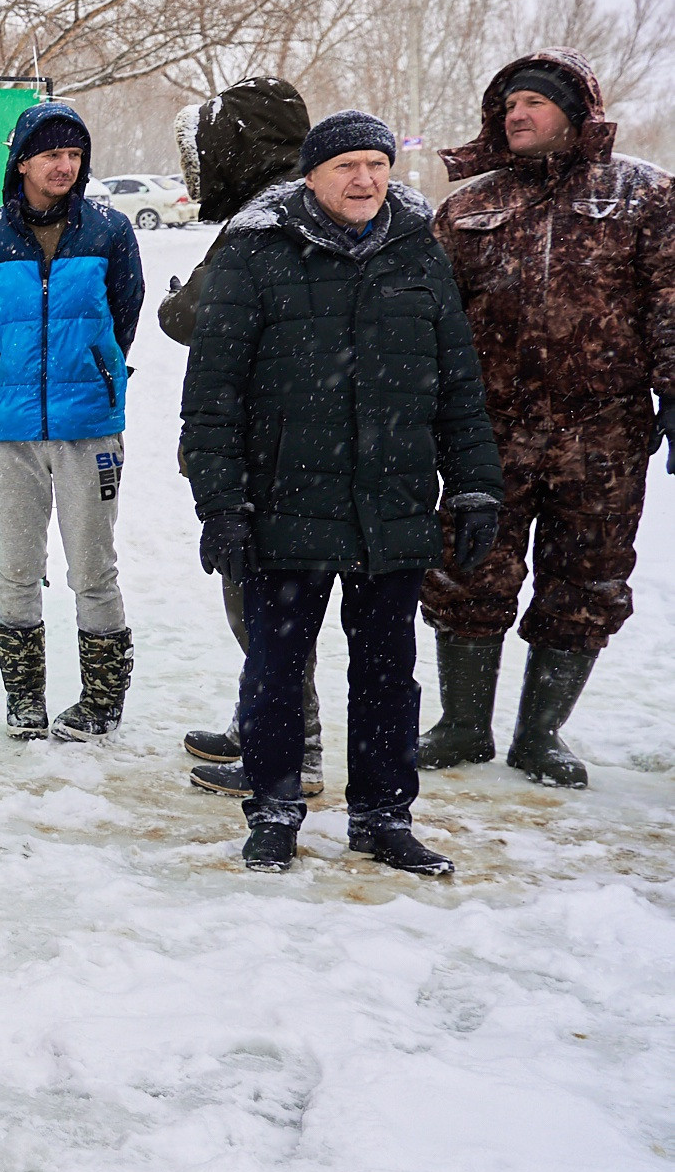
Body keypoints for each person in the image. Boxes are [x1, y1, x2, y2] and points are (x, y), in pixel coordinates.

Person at [182, 111, 504, 875]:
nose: (365, 179)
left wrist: (474, 486)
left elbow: (458, 382)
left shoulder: (417, 251)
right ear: (311, 175)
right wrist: (221, 503)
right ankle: (273, 811)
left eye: (376, 164)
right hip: (286, 502)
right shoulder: (257, 251)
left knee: (388, 675)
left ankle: (383, 816)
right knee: (275, 671)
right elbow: (213, 395)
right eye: (346, 166)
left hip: (390, 506)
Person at [417, 51, 675, 788]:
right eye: (507, 106)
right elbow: (429, 318)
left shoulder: (647, 195)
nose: (517, 115)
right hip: (487, 432)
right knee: (467, 570)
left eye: (533, 102)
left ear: (575, 111)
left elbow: (670, 299)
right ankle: (463, 725)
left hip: (603, 433)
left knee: (588, 581)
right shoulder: (468, 206)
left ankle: (540, 734)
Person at [0, 102, 146, 741]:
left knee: (93, 569)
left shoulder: (110, 232)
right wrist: (8, 369)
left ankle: (101, 704)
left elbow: (125, 316)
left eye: (74, 155)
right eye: (52, 154)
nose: (65, 166)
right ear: (22, 163)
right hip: (8, 430)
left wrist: (93, 369)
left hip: (89, 426)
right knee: (16, 568)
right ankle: (24, 704)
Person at [156, 78, 326, 798]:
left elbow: (193, 316)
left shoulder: (267, 218)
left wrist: (176, 301)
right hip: (292, 436)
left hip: (267, 442)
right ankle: (267, 723)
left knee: (263, 600)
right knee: (268, 599)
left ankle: (291, 746)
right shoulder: (303, 204)